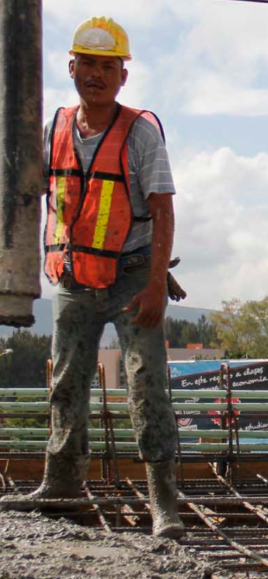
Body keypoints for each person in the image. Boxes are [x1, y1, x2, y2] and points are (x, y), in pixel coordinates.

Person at [0, 17, 184, 538]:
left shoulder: (140, 132)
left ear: (123, 76)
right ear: (71, 68)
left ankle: (163, 503)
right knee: (65, 383)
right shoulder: (55, 126)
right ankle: (61, 485)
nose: (97, 76)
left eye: (109, 67)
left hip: (131, 275)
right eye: (89, 65)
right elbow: (27, 190)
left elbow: (164, 212)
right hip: (75, 276)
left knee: (147, 385)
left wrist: (154, 285)